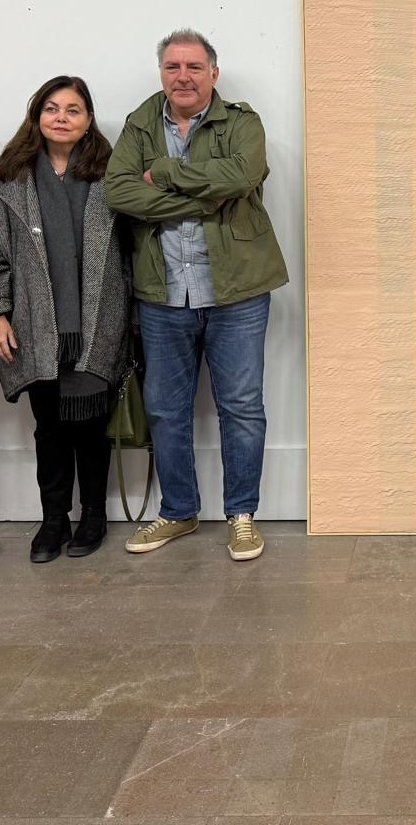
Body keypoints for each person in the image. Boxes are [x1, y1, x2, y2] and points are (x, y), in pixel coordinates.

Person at [106, 29, 288, 561]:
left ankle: (242, 515)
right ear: (161, 73)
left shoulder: (242, 122)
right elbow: (119, 190)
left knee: (242, 407)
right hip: (163, 293)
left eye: (193, 67)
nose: (182, 76)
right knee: (165, 410)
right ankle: (179, 511)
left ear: (213, 73)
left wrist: (163, 173)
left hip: (238, 292)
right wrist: (200, 200)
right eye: (172, 67)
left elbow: (241, 174)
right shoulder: (141, 123)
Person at [0, 76, 131, 563]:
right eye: (51, 108)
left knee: (92, 429)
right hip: (35, 327)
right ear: (37, 116)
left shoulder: (112, 176)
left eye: (73, 109)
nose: (61, 117)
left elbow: (133, 251)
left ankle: (93, 516)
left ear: (88, 120)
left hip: (100, 325)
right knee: (50, 430)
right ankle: (53, 519)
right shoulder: (11, 179)